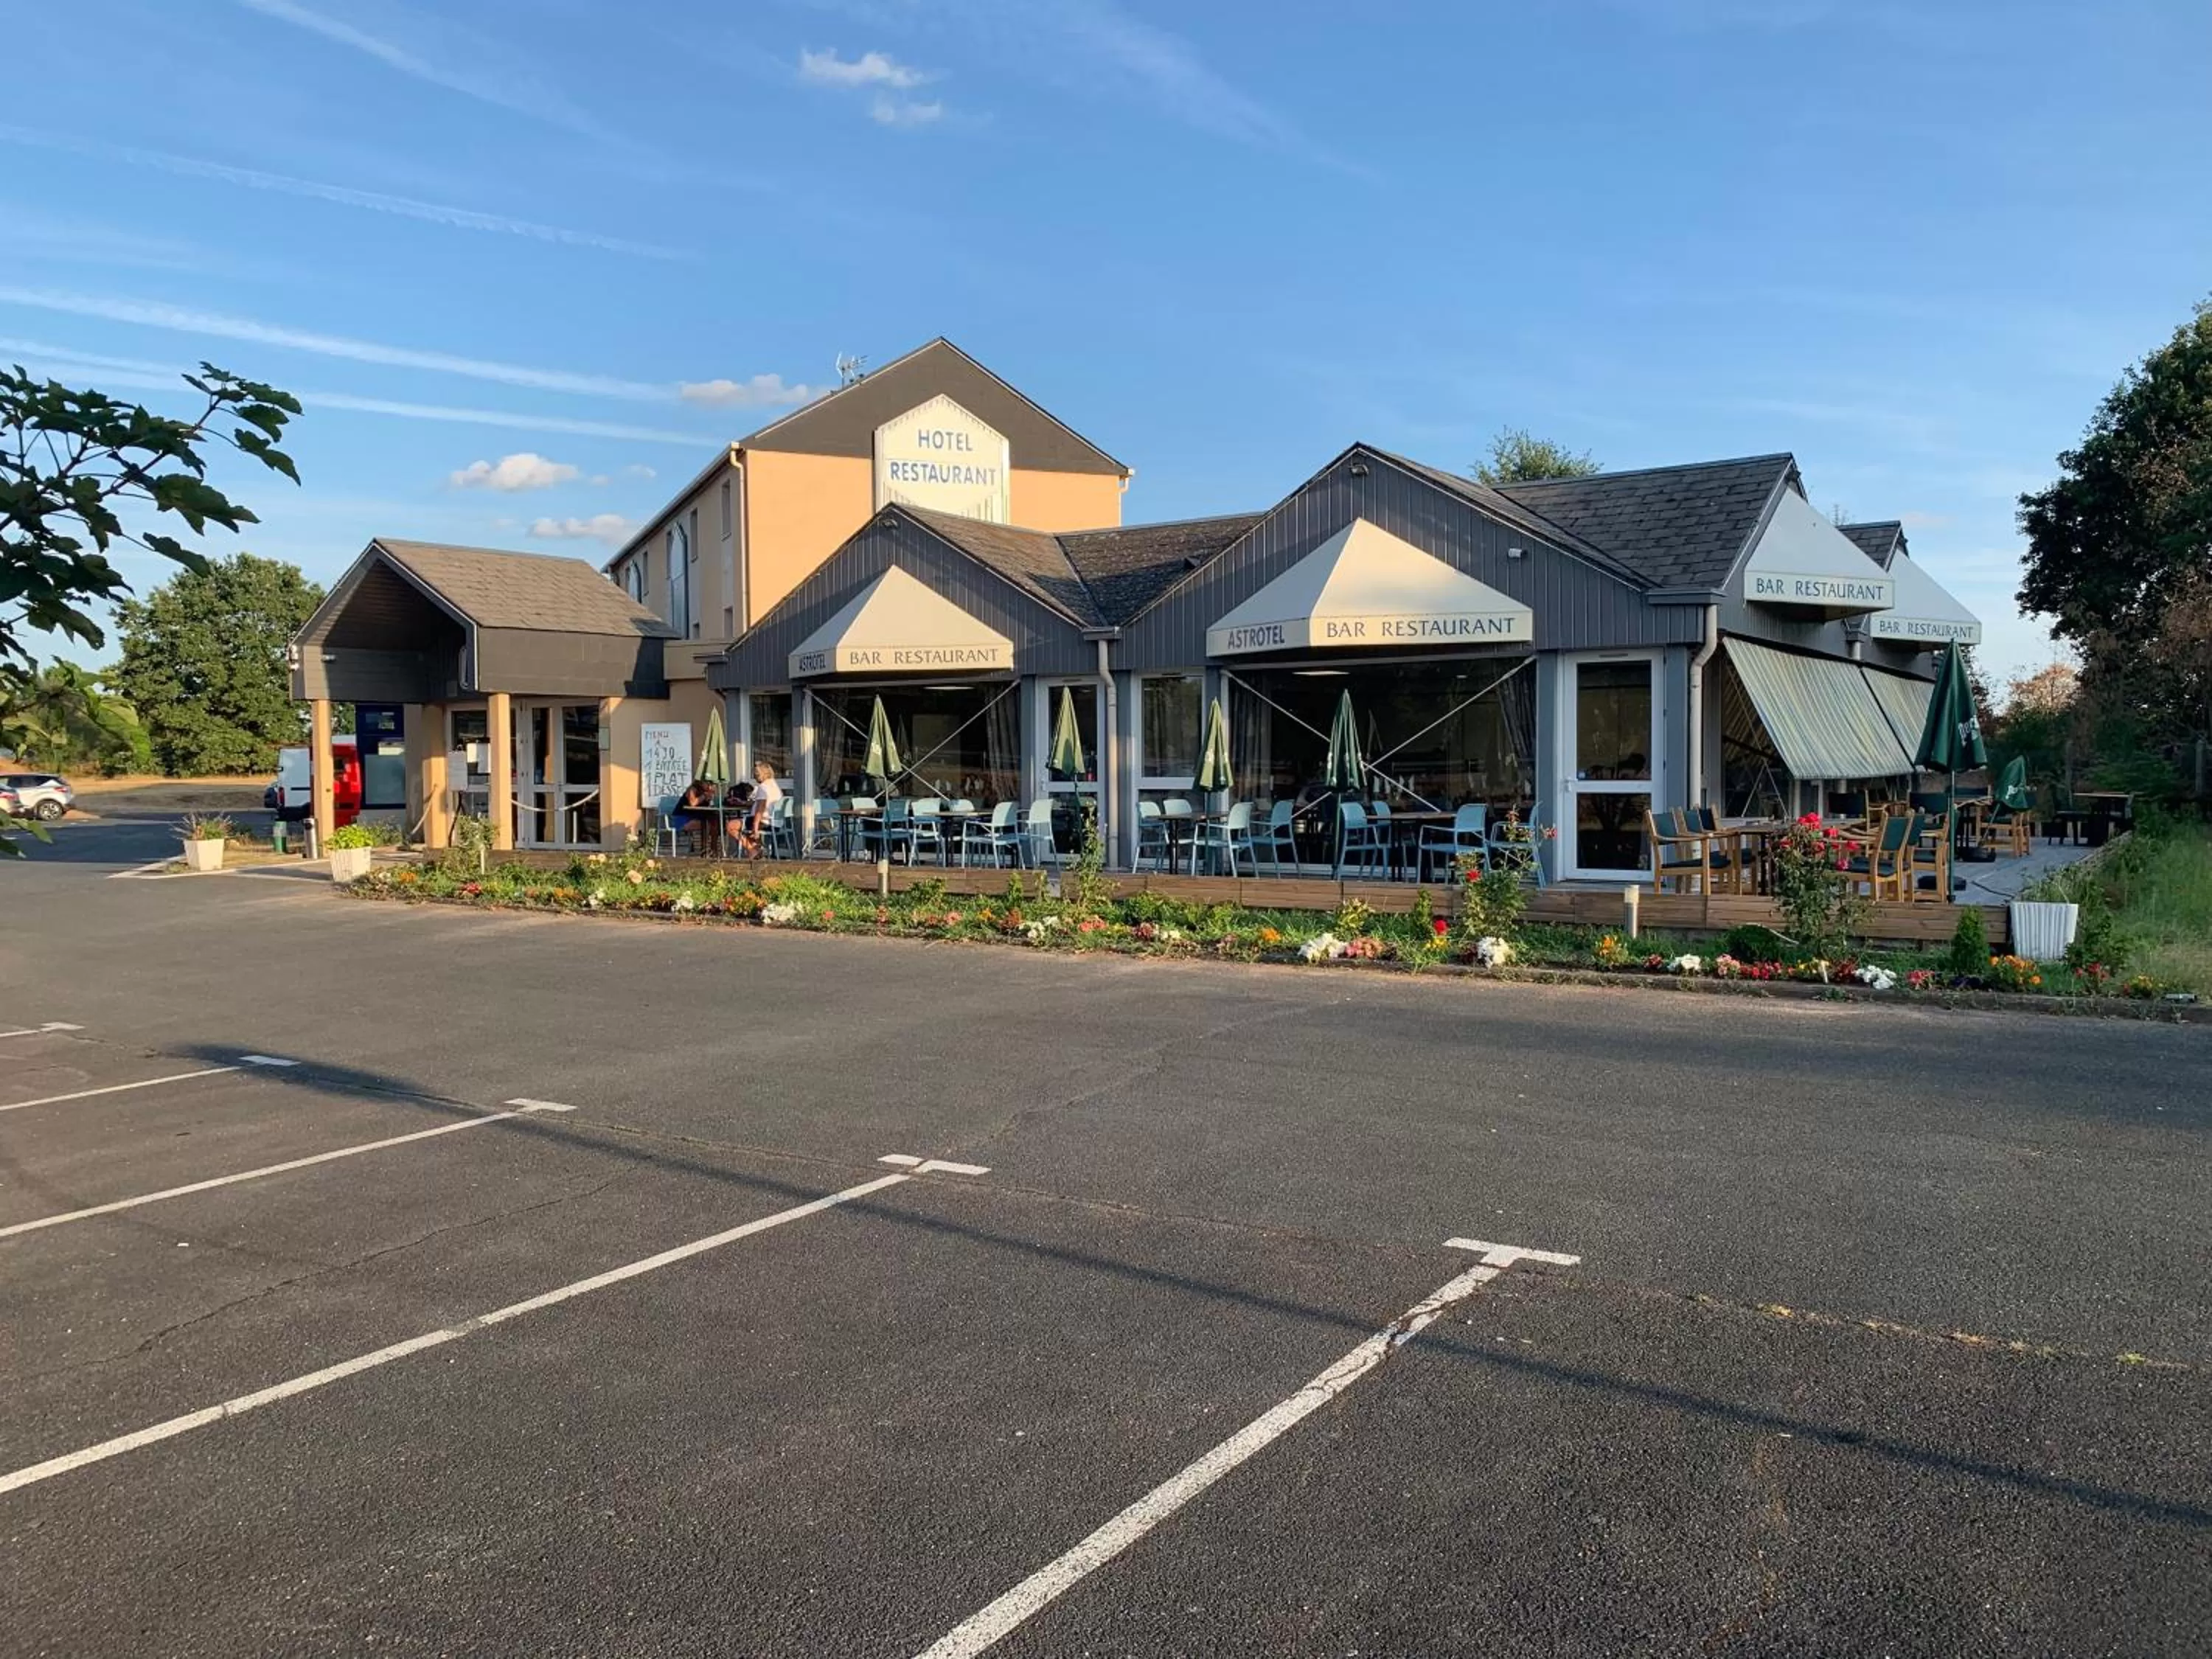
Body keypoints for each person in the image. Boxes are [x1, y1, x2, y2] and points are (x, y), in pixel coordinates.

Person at [739, 759, 783, 856]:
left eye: (756, 774)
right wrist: (746, 803)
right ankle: (758, 847)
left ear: (763, 774)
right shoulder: (775, 786)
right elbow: (762, 804)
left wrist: (755, 827)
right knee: (744, 827)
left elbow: (761, 809)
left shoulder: (763, 787)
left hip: (764, 822)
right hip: (776, 823)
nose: (754, 776)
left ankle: (754, 850)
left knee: (731, 826)